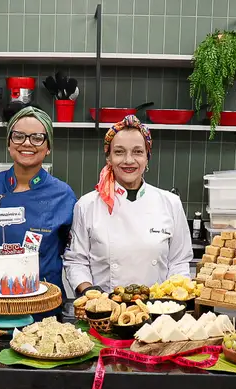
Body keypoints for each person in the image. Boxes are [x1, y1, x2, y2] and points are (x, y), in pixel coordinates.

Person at [64, 114, 193, 295]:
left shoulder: (171, 203)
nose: (129, 160)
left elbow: (179, 262)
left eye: (138, 152)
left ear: (147, 157)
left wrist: (173, 299)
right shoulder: (87, 205)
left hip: (157, 307)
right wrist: (91, 295)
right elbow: (76, 262)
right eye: (119, 152)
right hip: (106, 306)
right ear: (108, 158)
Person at [0, 106, 76, 297]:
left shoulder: (63, 195)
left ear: (48, 147)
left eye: (37, 138)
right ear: (9, 143)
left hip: (44, 301)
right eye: (18, 136)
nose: (27, 143)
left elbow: (70, 251)